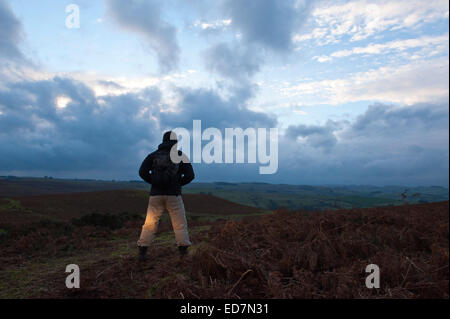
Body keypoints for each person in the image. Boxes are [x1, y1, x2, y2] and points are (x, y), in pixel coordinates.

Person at [137, 131, 195, 262]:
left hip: (155, 195)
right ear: (175, 142)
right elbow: (191, 175)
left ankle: (142, 251)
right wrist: (179, 183)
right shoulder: (180, 155)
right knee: (179, 223)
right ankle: (183, 252)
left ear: (163, 140)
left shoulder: (153, 155)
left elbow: (142, 172)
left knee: (150, 224)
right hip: (174, 195)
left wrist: (153, 181)